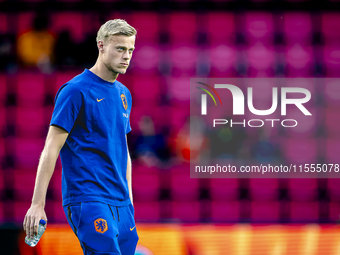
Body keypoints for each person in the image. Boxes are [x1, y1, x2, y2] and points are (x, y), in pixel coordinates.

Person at [23, 19, 139, 255]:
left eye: (130, 50)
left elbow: (123, 150)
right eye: (120, 48)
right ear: (101, 46)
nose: (126, 56)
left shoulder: (124, 94)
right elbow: (51, 148)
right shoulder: (75, 90)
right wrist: (37, 204)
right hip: (89, 197)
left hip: (121, 201)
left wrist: (129, 199)